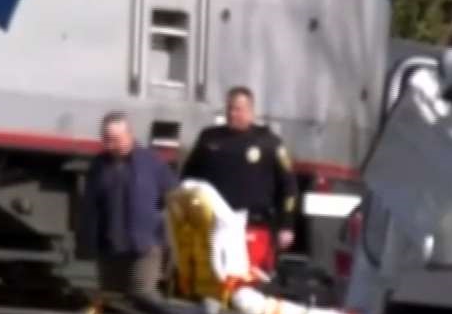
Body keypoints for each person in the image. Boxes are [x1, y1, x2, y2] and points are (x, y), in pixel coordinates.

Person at [181, 86, 297, 279]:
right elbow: (188, 177)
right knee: (212, 280)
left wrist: (287, 225)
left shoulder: (269, 142)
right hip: (212, 223)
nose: (232, 114)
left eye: (238, 109)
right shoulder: (209, 138)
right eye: (229, 109)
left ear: (251, 111)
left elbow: (289, 187)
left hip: (253, 226)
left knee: (248, 282)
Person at [81, 111, 177, 302]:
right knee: (111, 301)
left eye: (115, 139)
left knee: (142, 299)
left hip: (145, 248)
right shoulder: (99, 165)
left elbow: (172, 196)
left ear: (129, 135)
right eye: (106, 139)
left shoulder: (151, 162)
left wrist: (166, 241)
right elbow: (91, 206)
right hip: (110, 248)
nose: (110, 145)